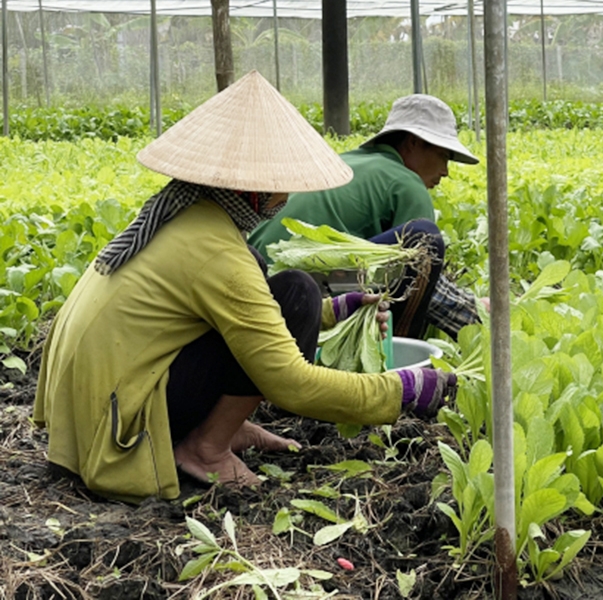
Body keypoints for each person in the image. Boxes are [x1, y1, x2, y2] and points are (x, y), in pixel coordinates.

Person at [31, 71, 456, 504]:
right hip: (120, 431)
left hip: (88, 416)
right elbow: (292, 384)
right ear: (257, 188)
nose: (287, 196)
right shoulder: (218, 254)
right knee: (295, 295)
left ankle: (220, 427)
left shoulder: (187, 217)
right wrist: (402, 390)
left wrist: (335, 309)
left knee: (297, 292)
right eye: (283, 184)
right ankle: (205, 447)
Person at [249, 93, 486, 341]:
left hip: (261, 286)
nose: (445, 171)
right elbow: (421, 272)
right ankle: (404, 352)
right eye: (444, 156)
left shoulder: (347, 162)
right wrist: (478, 312)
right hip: (304, 290)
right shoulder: (406, 183)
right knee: (424, 239)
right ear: (412, 143)